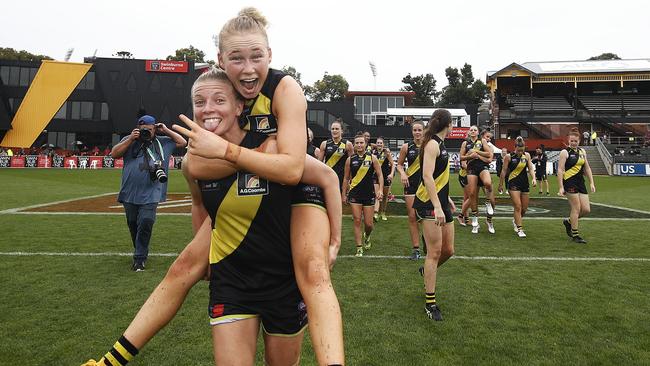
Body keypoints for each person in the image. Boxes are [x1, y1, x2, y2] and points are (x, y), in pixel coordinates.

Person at [83, 8, 344, 366]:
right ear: (220, 60)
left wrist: (335, 241)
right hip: (241, 208)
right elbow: (197, 177)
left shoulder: (284, 90)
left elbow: (298, 170)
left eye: (256, 56)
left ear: (271, 55)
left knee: (314, 271)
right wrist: (222, 156)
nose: (248, 68)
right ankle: (111, 360)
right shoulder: (218, 106)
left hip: (294, 191)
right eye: (235, 58)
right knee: (185, 264)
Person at [110, 114, 186, 271]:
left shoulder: (163, 142)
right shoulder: (129, 140)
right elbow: (114, 154)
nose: (146, 132)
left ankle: (139, 258)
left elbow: (182, 142)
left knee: (146, 221)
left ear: (154, 130)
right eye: (142, 129)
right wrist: (131, 138)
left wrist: (165, 130)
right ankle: (140, 249)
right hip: (129, 191)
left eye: (149, 130)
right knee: (133, 224)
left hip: (152, 191)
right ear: (138, 128)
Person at [412, 109, 456, 321]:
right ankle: (430, 303)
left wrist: (446, 199)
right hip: (428, 203)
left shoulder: (440, 143)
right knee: (435, 252)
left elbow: (439, 176)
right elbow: (427, 177)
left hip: (440, 201)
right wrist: (437, 206)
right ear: (449, 124)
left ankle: (426, 271)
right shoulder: (431, 144)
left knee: (448, 250)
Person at [343, 133, 383, 257]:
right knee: (357, 220)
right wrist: (343, 194)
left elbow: (380, 175)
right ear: (354, 145)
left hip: (369, 194)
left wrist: (380, 189)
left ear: (365, 144)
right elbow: (345, 178)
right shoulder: (350, 159)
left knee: (369, 224)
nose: (359, 145)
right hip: (355, 194)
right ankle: (359, 247)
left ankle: (367, 236)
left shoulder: (372, 158)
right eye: (357, 143)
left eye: (361, 143)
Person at [557, 127, 596, 244]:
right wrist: (560, 187)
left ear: (579, 141)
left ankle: (568, 222)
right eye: (571, 141)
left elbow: (587, 168)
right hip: (569, 182)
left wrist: (591, 182)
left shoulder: (582, 152)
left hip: (580, 182)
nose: (573, 143)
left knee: (586, 210)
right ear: (568, 140)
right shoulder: (565, 152)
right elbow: (560, 170)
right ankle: (575, 234)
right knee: (576, 208)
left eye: (576, 141)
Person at [396, 120, 425, 260]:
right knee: (412, 217)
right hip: (410, 185)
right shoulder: (406, 147)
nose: (417, 132)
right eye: (415, 130)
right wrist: (402, 174)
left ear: (424, 131)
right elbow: (399, 165)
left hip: (426, 186)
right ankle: (416, 249)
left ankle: (427, 241)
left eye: (420, 130)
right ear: (412, 132)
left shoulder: (429, 146)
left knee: (425, 217)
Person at [498, 136, 536, 238]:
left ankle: (516, 219)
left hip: (524, 183)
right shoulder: (509, 157)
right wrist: (501, 184)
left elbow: (531, 169)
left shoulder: (527, 156)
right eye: (518, 150)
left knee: (524, 208)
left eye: (522, 150)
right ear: (515, 147)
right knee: (518, 206)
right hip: (513, 183)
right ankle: (520, 229)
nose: (520, 152)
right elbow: (504, 171)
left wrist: (534, 178)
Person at [459, 126, 494, 234]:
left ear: (478, 132)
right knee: (472, 194)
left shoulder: (482, 141)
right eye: (471, 130)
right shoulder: (465, 143)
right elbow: (461, 157)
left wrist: (476, 153)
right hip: (471, 169)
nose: (473, 131)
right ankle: (475, 219)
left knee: (488, 183)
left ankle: (488, 203)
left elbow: (488, 154)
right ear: (469, 132)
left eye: (475, 130)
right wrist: (470, 156)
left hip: (482, 167)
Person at [319, 118, 353, 191]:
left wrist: (350, 180)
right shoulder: (324, 144)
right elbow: (319, 164)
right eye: (332, 129)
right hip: (328, 176)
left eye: (337, 129)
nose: (334, 131)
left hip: (342, 178)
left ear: (342, 131)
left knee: (341, 200)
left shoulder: (348, 144)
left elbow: (352, 165)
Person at [372, 136, 394, 221]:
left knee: (385, 197)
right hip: (376, 176)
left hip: (386, 176)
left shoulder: (386, 153)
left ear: (383, 144)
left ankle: (383, 213)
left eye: (381, 143)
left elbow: (393, 164)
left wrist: (391, 174)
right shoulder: (373, 153)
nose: (379, 144)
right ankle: (375, 213)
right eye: (378, 143)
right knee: (377, 194)